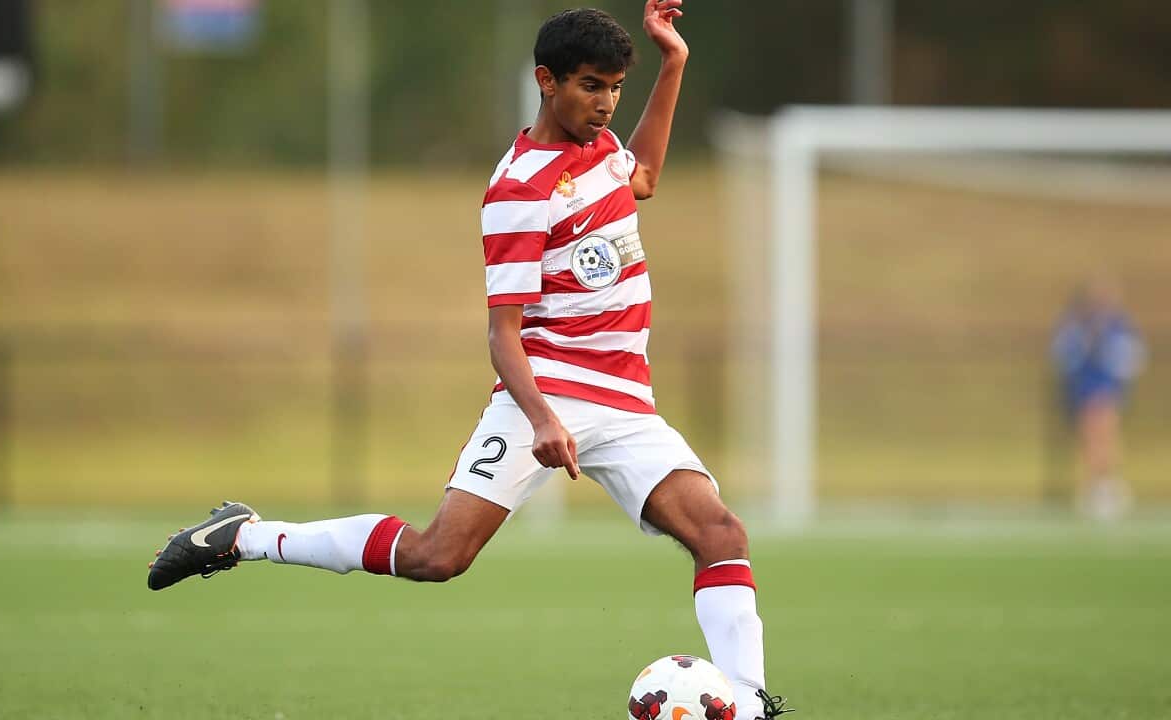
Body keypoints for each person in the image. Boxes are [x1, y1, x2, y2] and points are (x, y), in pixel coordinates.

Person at [148, 4, 790, 717]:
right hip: (542, 395)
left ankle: (754, 705)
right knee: (436, 557)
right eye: (589, 86)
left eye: (613, 87)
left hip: (626, 402)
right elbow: (502, 333)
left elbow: (643, 176)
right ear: (546, 82)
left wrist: (673, 63)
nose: (605, 103)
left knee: (721, 533)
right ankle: (246, 535)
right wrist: (543, 419)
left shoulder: (600, 150)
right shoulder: (519, 192)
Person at [1051, 278, 1144, 521]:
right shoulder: (1075, 326)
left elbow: (1132, 357)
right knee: (1091, 437)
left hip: (1107, 389)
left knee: (1106, 434)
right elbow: (1063, 356)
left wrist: (1106, 356)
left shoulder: (1118, 327)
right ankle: (1094, 486)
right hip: (1083, 389)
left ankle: (1108, 485)